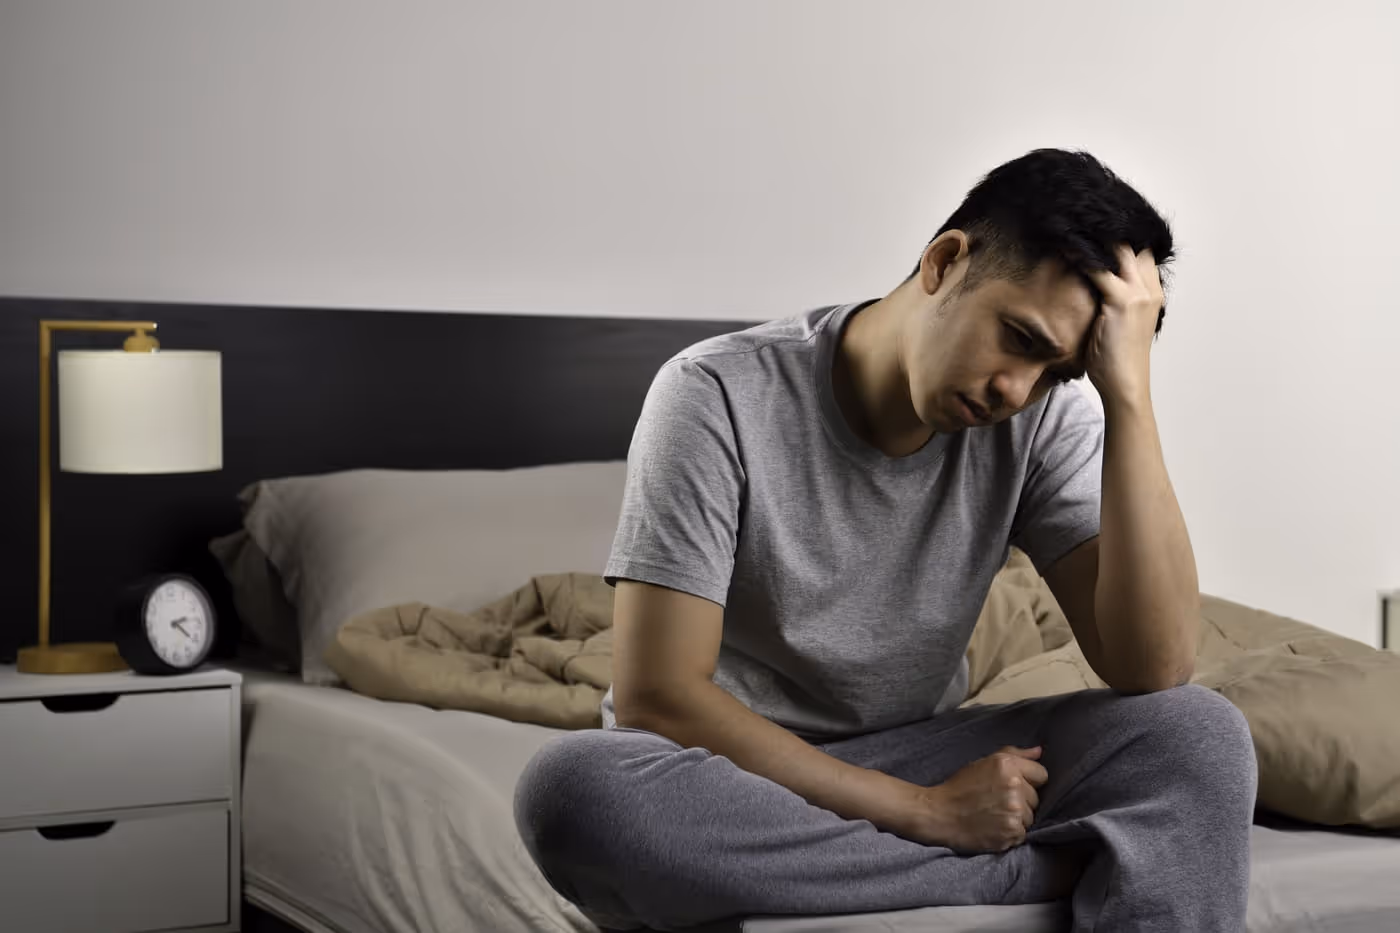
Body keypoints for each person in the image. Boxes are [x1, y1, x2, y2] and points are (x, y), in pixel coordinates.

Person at [514, 148, 1257, 932]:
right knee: (574, 788)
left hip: (922, 745)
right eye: (1018, 338)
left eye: (1056, 372)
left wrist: (1128, 394)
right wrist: (928, 813)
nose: (1017, 389)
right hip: (729, 775)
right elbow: (657, 697)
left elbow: (1156, 664)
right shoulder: (715, 394)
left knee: (1198, 732)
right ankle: (1020, 873)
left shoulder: (1038, 419)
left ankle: (868, 872)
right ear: (944, 261)